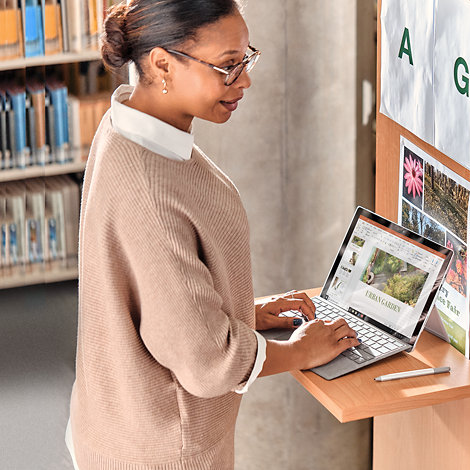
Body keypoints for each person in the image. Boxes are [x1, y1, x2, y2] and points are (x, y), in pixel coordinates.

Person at [66, 1, 361, 468]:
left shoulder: (126, 128)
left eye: (247, 59)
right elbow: (206, 362)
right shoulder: (151, 187)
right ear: (162, 63)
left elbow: (154, 292)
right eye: (227, 66)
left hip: (118, 420)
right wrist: (302, 351)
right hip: (163, 448)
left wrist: (249, 311)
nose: (244, 80)